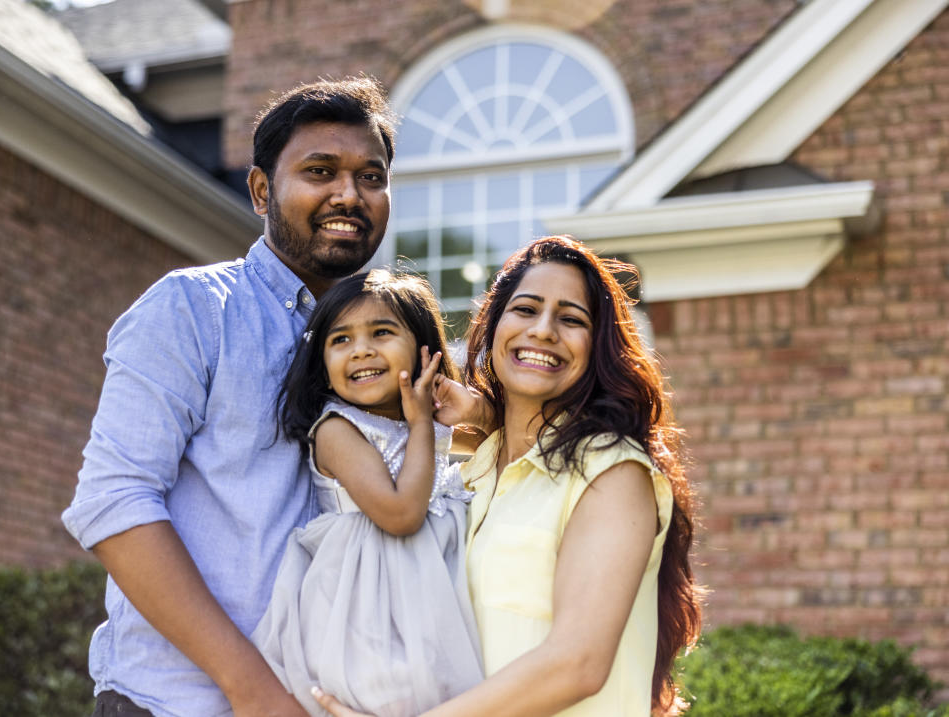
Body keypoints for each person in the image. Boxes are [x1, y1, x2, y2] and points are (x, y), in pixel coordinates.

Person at [62, 76, 397, 717]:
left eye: (371, 177)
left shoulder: (383, 345)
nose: (348, 194)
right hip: (178, 704)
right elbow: (113, 501)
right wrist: (258, 695)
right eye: (320, 171)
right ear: (261, 190)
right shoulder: (191, 310)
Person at [314, 235, 703, 717]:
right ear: (492, 327)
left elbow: (577, 663)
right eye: (525, 309)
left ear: (596, 347)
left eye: (571, 319)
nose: (543, 330)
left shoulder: (611, 470)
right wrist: (480, 414)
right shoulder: (472, 474)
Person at [251, 269, 484, 716]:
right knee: (391, 696)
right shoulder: (337, 429)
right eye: (340, 340)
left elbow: (508, 438)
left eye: (381, 332)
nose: (361, 350)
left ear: (424, 350)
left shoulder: (424, 420)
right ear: (321, 360)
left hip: (432, 590)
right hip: (369, 601)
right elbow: (400, 514)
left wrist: (470, 408)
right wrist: (422, 424)